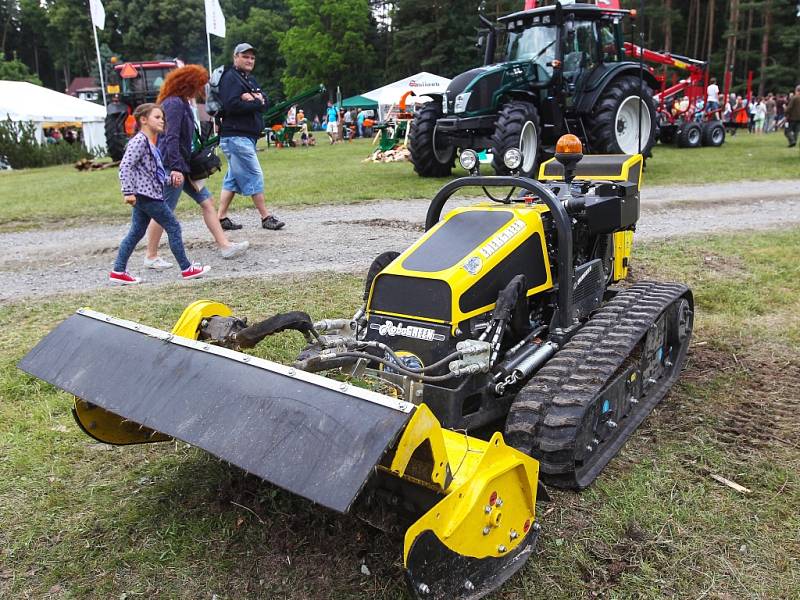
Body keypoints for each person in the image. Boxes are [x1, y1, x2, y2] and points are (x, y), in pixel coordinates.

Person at [142, 65, 248, 270]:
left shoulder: (180, 102)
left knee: (207, 202)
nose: (203, 88)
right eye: (200, 83)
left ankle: (225, 245)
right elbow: (170, 137)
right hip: (173, 166)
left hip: (184, 165)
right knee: (164, 211)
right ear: (189, 83)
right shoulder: (173, 104)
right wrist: (174, 168)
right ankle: (151, 255)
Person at [110, 103, 209, 285]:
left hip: (146, 194)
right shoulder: (139, 141)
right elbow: (125, 166)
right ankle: (187, 269)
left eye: (162, 117)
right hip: (146, 196)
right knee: (173, 226)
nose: (162, 120)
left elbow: (151, 173)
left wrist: (169, 180)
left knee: (136, 232)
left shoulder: (150, 144)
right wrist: (128, 192)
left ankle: (118, 270)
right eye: (157, 117)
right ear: (143, 120)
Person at [216, 42, 284, 231]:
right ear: (235, 57)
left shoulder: (249, 79)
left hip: (243, 137)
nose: (249, 60)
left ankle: (220, 218)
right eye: (245, 56)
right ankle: (266, 217)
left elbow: (266, 101)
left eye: (252, 57)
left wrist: (253, 98)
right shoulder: (231, 78)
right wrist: (256, 100)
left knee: (232, 180)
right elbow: (232, 105)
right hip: (236, 137)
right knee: (255, 174)